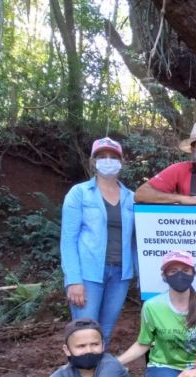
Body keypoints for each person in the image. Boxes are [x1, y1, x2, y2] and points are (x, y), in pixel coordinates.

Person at [61, 137, 136, 346]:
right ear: (94, 161)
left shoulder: (132, 198)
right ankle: (79, 367)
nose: (108, 160)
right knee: (84, 331)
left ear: (122, 161)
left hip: (120, 275)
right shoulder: (79, 193)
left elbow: (136, 241)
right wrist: (73, 280)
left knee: (106, 332)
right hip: (88, 274)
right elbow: (68, 240)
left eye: (113, 156)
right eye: (102, 156)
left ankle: (99, 367)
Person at [117, 250, 196, 377]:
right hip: (164, 367)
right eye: (173, 271)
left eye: (185, 270)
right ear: (164, 276)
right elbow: (143, 343)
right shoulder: (152, 306)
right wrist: (116, 362)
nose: (180, 275)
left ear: (194, 274)